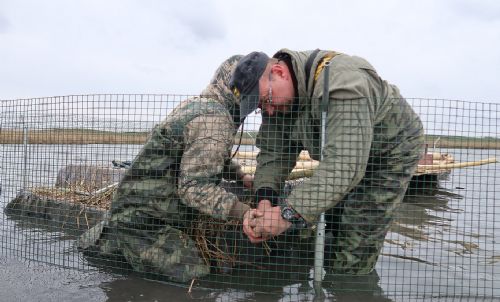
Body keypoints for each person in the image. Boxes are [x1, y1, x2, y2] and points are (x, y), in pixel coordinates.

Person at [230, 49, 424, 274]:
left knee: (357, 239)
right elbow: (274, 153)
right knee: (331, 219)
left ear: (279, 72)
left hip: (387, 156)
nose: (269, 110)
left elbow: (343, 167)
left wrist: (287, 215)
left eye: (265, 100)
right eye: (261, 107)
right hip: (342, 156)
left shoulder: (343, 84)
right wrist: (265, 199)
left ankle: (349, 290)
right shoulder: (278, 100)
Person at [79, 55, 261, 282]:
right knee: (196, 277)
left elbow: (205, 157)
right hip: (144, 224)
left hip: (135, 213)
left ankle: (114, 246)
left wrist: (239, 175)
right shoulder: (215, 120)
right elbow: (194, 188)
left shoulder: (197, 107)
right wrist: (243, 212)